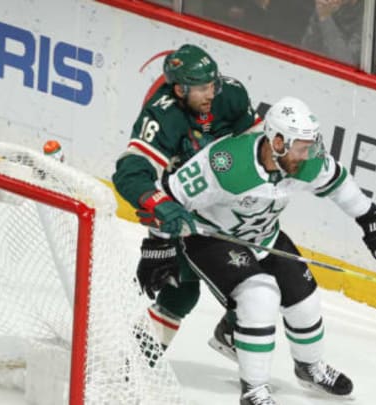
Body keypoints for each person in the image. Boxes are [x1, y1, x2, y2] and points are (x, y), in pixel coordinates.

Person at [137, 97, 376, 403]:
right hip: (212, 238)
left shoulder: (304, 161)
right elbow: (169, 197)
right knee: (261, 295)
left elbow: (338, 183)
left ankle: (309, 366)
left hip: (265, 236)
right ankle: (255, 390)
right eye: (301, 146)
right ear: (276, 141)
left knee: (305, 299)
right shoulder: (226, 163)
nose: (308, 154)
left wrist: (371, 217)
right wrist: (157, 246)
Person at [112, 43, 258, 355]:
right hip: (183, 204)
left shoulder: (231, 96)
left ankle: (232, 332)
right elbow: (130, 172)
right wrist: (160, 207)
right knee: (180, 291)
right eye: (202, 88)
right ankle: (136, 362)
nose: (211, 93)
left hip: (228, 203)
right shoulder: (162, 113)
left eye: (213, 84)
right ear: (179, 89)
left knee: (260, 281)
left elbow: (255, 152)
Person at [301, 0, 365, 65]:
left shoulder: (367, 17)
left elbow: (347, 63)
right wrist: (320, 13)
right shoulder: (329, 5)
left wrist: (325, 18)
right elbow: (307, 48)